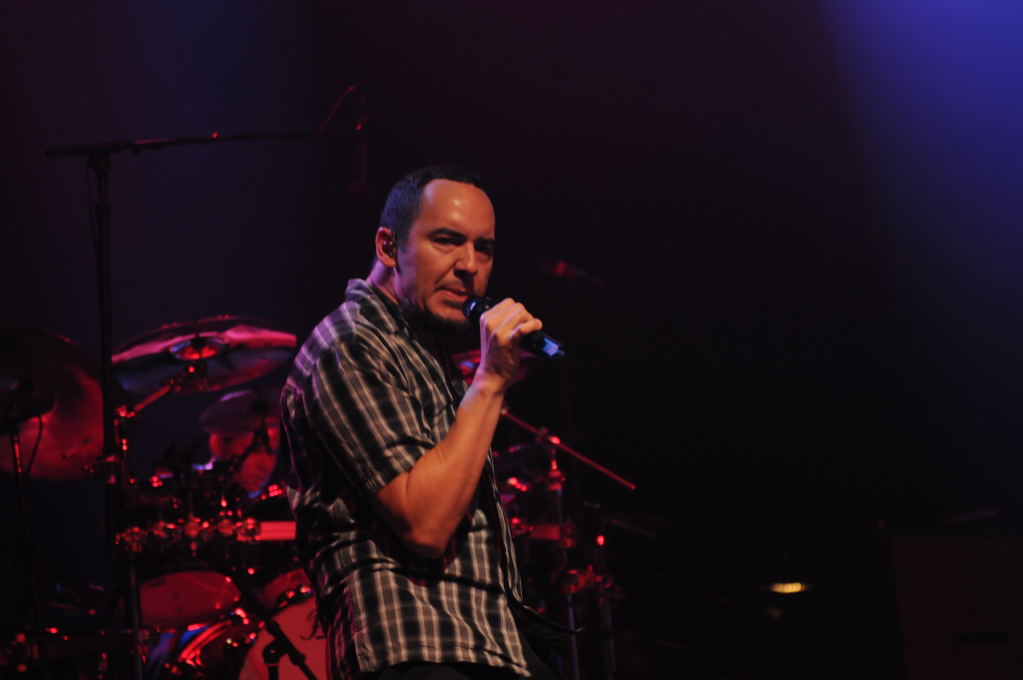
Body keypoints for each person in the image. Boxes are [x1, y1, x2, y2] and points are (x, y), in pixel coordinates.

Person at [281, 166, 566, 680]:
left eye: (484, 249)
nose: (469, 266)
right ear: (389, 247)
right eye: (447, 241)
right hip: (414, 647)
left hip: (479, 642)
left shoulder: (424, 348)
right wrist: (489, 383)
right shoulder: (350, 344)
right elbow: (426, 525)